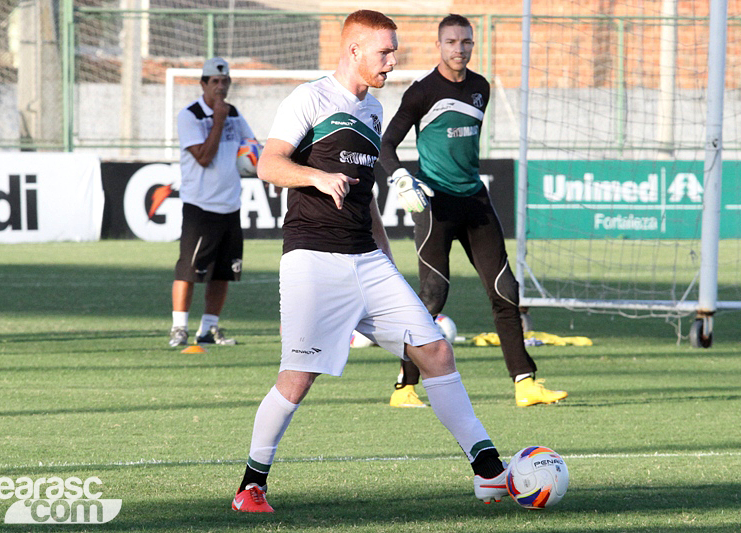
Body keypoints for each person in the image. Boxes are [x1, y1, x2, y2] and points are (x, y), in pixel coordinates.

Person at [231, 10, 507, 513]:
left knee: (437, 351)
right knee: (297, 379)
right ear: (353, 50)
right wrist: (315, 178)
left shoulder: (376, 110)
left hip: (368, 260)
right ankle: (251, 485)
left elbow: (367, 198)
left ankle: (489, 473)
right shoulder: (310, 98)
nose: (393, 61)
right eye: (384, 52)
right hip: (313, 260)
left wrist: (384, 257)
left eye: (394, 51)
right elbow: (269, 163)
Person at [380, 14, 568, 408]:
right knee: (432, 296)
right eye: (451, 41)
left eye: (466, 41)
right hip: (436, 204)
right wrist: (400, 178)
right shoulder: (421, 92)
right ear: (439, 45)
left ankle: (524, 383)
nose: (459, 49)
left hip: (475, 201)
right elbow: (386, 145)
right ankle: (405, 387)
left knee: (506, 290)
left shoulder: (481, 87)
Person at [168, 57, 257, 347]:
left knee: (223, 273)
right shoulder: (190, 115)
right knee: (189, 270)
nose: (220, 86)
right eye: (215, 81)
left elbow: (252, 148)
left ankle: (209, 328)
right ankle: (179, 327)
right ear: (203, 84)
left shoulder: (234, 113)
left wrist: (269, 174)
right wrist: (217, 121)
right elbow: (204, 158)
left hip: (230, 205)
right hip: (201, 206)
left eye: (225, 81)